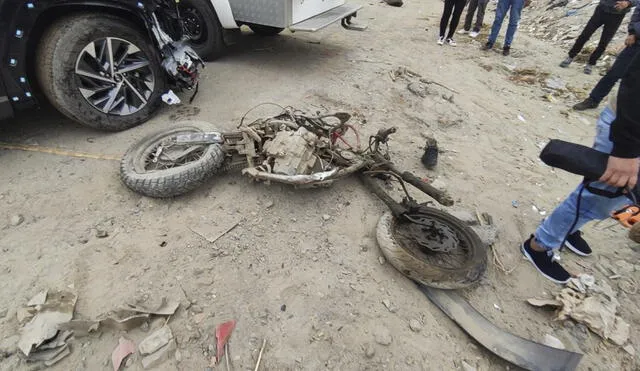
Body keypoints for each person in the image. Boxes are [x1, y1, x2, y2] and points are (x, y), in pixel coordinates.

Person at [521, 54, 640, 284]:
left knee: (611, 199)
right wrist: (626, 148)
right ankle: (538, 245)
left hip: (631, 135)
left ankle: (569, 229)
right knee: (600, 193)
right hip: (629, 128)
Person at [573, 5, 640, 110]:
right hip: (636, 44)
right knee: (614, 73)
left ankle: (627, 112)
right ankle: (593, 100)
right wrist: (633, 32)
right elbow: (637, 13)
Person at [560, 0, 637, 75]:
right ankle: (571, 56)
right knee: (585, 35)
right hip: (601, 10)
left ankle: (591, 63)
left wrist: (628, 2)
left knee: (604, 41)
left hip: (617, 16)